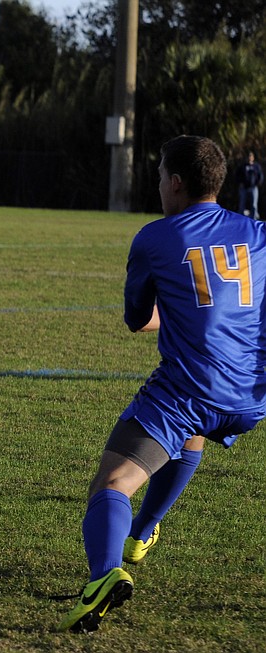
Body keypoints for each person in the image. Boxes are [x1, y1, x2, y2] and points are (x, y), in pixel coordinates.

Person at [58, 135, 266, 633]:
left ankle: (104, 577)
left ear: (175, 183)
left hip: (189, 386)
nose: (156, 185)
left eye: (157, 176)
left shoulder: (156, 237)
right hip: (249, 395)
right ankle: (142, 535)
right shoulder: (258, 233)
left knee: (112, 484)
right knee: (191, 432)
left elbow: (138, 318)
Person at [236, 151, 263, 219]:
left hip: (253, 188)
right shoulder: (243, 166)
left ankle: (254, 219)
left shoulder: (256, 166)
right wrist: (240, 183)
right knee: (242, 204)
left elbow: (260, 176)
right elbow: (237, 175)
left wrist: (258, 183)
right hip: (244, 188)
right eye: (248, 156)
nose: (249, 158)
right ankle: (240, 218)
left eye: (250, 156)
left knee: (254, 204)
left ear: (253, 158)